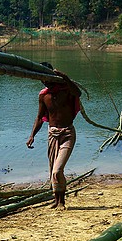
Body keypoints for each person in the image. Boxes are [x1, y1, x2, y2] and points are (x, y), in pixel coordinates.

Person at [27, 63, 81, 209]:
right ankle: (56, 200)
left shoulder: (67, 90)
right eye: (42, 79)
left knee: (58, 170)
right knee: (52, 170)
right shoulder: (44, 95)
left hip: (67, 133)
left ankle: (62, 202)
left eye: (47, 78)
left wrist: (65, 77)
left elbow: (78, 93)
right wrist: (32, 135)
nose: (45, 82)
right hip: (52, 134)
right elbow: (39, 117)